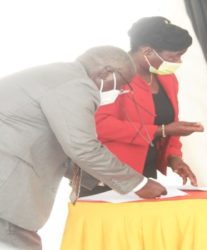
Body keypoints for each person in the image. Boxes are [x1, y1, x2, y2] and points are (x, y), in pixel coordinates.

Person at [0, 46, 167, 250]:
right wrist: (139, 184)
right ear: (105, 73)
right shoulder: (78, 86)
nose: (120, 91)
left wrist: (98, 181)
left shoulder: (59, 74)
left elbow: (61, 144)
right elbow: (82, 146)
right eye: (121, 85)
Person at [89, 17, 204, 196]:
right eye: (173, 56)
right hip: (108, 177)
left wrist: (173, 158)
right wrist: (161, 130)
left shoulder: (168, 79)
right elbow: (100, 126)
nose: (178, 62)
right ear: (147, 50)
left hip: (145, 177)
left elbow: (171, 123)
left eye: (181, 55)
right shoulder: (110, 77)